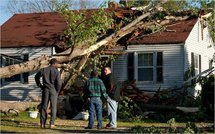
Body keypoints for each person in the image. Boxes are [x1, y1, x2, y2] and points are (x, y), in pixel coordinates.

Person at [35, 58, 62, 129]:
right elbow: (59, 84)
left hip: (45, 89)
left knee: (44, 106)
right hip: (53, 90)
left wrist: (40, 85)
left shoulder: (44, 69)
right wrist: (57, 91)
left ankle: (42, 123)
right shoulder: (56, 71)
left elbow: (36, 76)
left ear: (50, 63)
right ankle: (51, 124)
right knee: (53, 107)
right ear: (55, 64)